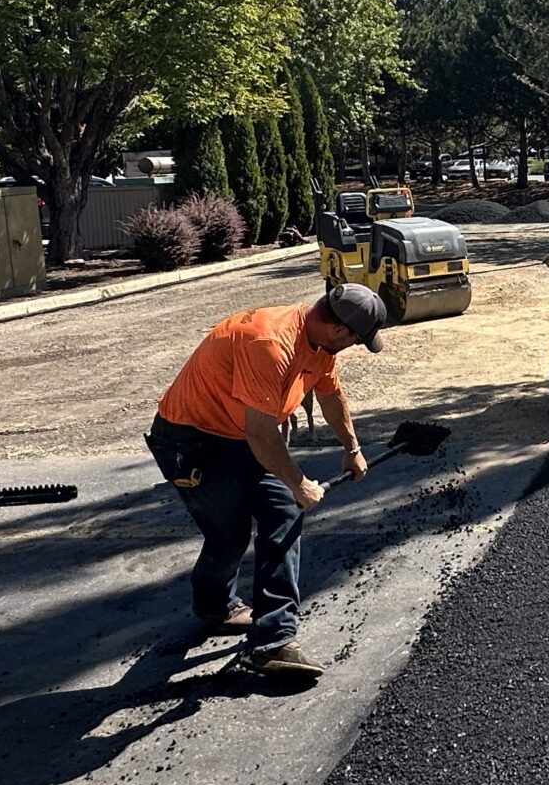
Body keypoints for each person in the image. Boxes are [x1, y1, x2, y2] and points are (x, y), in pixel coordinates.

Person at [144, 284, 386, 681]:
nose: (354, 346)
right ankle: (215, 606)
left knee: (284, 512)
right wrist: (300, 483)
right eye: (357, 340)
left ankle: (273, 640)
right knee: (229, 535)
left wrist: (352, 448)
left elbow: (330, 395)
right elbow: (261, 434)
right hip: (192, 441)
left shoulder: (320, 345)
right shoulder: (270, 343)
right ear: (339, 330)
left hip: (241, 433)